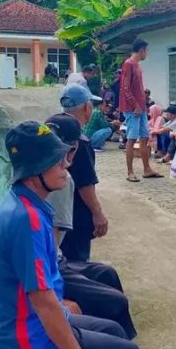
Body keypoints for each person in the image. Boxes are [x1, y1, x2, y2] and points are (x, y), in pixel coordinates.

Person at [0, 121, 148, 349]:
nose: (66, 165)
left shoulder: (26, 204)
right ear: (35, 170)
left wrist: (64, 308)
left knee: (113, 329)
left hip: (28, 325)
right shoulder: (25, 220)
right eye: (56, 161)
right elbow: (42, 302)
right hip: (24, 344)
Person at [45, 114, 138, 341]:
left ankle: (120, 341)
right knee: (114, 302)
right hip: (50, 268)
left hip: (55, 261)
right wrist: (57, 298)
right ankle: (117, 344)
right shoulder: (57, 181)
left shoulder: (50, 175)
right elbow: (45, 251)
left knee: (106, 274)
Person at [57, 84, 109, 262]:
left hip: (55, 213)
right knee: (76, 263)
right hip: (75, 216)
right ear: (87, 107)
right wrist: (97, 213)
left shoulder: (55, 131)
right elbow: (85, 184)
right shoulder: (80, 141)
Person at [119, 40, 161, 182]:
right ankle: (130, 172)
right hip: (133, 109)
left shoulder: (137, 65)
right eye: (146, 51)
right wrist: (135, 105)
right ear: (142, 50)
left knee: (144, 137)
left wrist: (142, 106)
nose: (146, 53)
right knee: (131, 138)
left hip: (141, 108)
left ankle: (147, 169)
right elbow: (125, 88)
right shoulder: (128, 64)